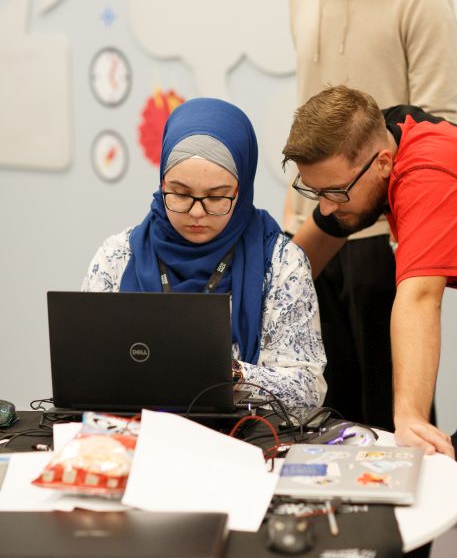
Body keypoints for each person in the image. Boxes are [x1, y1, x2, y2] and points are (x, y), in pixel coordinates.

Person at [282, 84, 457, 558]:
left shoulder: (429, 175)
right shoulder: (388, 132)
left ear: (381, 163)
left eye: (335, 192)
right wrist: (266, 306)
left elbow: (419, 298)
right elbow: (314, 243)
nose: (327, 205)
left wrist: (410, 416)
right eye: (316, 191)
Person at [284, 0, 457, 431]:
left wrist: (410, 232)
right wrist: (295, 219)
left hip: (388, 231)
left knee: (395, 412)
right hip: (315, 224)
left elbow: (440, 126)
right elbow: (307, 111)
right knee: (327, 409)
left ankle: (414, 501)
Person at [82, 97, 326, 410]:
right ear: (162, 183)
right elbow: (85, 367)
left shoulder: (280, 264)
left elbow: (308, 390)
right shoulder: (117, 256)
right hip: (134, 431)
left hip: (242, 434)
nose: (197, 213)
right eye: (181, 194)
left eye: (216, 197)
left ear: (241, 190)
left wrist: (230, 373)